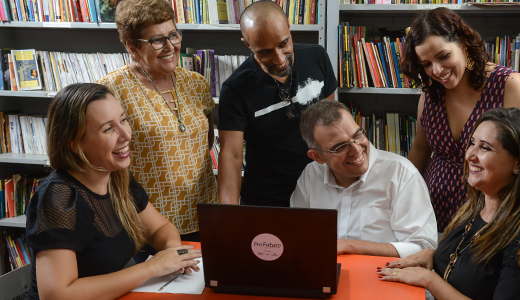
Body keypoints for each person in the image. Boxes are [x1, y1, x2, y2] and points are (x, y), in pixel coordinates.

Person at [25, 83, 202, 300]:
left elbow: (160, 229)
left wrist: (173, 253)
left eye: (124, 120)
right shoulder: (58, 196)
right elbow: (57, 295)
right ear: (74, 144)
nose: (126, 134)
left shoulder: (118, 178)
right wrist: (153, 267)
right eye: (108, 129)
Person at [378, 108, 520, 300]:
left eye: (485, 147)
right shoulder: (478, 207)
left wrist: (430, 280)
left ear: (518, 163)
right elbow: (474, 270)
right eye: (472, 143)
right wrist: (435, 257)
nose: (469, 155)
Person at [402, 8, 520, 232]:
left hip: (494, 213)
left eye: (443, 56)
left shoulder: (507, 84)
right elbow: (420, 150)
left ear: (464, 44)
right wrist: (398, 195)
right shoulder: (430, 95)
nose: (436, 70)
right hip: (433, 210)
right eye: (426, 64)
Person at [98, 0, 217, 239]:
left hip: (204, 214)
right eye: (156, 40)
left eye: (173, 35)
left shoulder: (197, 83)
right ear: (132, 47)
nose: (170, 46)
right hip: (147, 225)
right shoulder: (112, 89)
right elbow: (104, 160)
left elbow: (207, 139)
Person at [218, 0, 337, 207]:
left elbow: (332, 124)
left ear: (289, 29)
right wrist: (228, 217)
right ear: (248, 45)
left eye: (284, 43)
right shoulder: (235, 89)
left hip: (320, 191)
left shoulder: (317, 56)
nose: (280, 59)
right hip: (266, 198)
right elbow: (232, 155)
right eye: (264, 52)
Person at [291, 100, 437, 258]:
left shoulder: (401, 173)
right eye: (340, 147)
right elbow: (297, 237)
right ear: (318, 156)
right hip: (325, 276)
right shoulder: (310, 175)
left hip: (385, 275)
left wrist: (349, 246)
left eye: (358, 135)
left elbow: (423, 248)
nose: (356, 150)